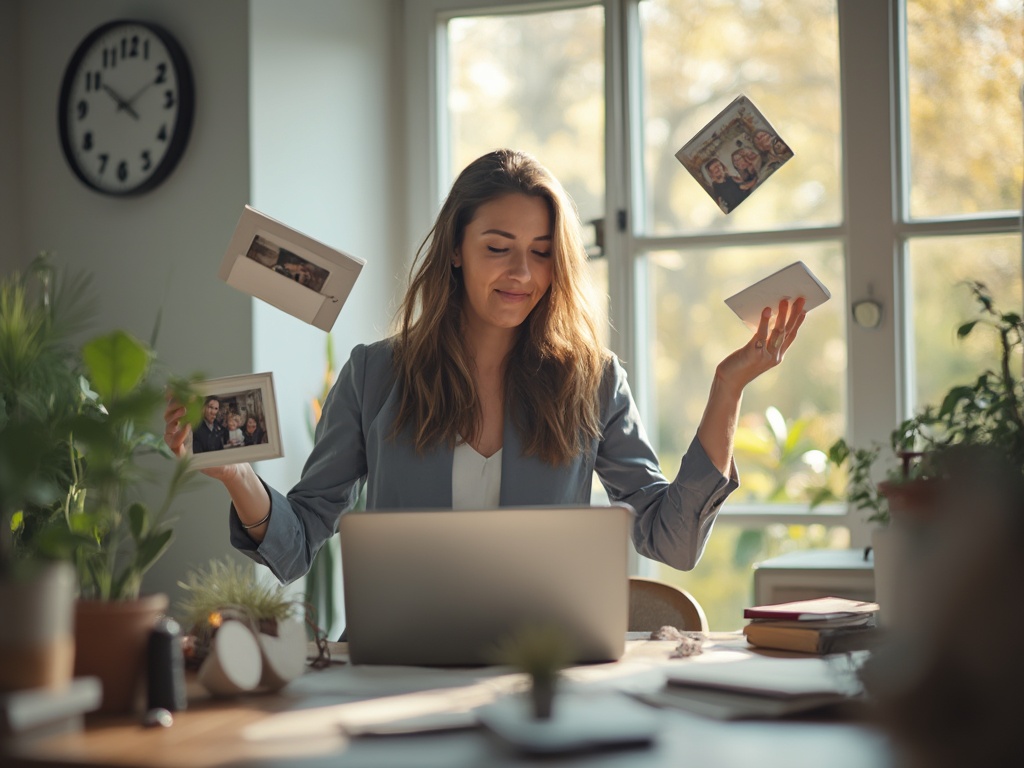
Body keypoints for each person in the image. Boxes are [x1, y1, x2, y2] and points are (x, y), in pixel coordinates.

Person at [164, 149, 805, 586]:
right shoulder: (373, 376)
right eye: (498, 248)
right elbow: (298, 543)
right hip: (395, 666)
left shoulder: (594, 380)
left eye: (541, 253)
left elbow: (673, 542)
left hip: (540, 662)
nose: (522, 274)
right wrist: (238, 475)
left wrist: (728, 388)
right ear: (455, 252)